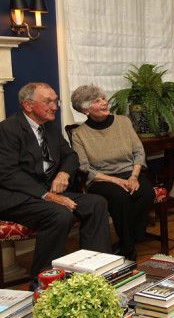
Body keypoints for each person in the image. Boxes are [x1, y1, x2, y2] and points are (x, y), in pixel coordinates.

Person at [0, 83, 111, 285]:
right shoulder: (8, 129)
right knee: (59, 214)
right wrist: (50, 197)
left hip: (48, 189)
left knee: (96, 203)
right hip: (17, 195)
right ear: (28, 105)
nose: (55, 107)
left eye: (55, 101)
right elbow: (8, 174)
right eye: (48, 102)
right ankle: (44, 279)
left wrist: (63, 174)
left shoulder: (49, 126)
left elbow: (70, 155)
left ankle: (94, 271)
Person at [70, 85, 155, 261]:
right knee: (121, 197)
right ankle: (128, 248)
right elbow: (85, 167)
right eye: (96, 101)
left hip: (130, 173)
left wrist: (134, 176)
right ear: (85, 110)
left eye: (103, 98)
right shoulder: (79, 134)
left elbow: (139, 151)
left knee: (146, 193)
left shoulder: (123, 122)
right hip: (102, 180)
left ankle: (127, 241)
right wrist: (116, 181)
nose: (104, 103)